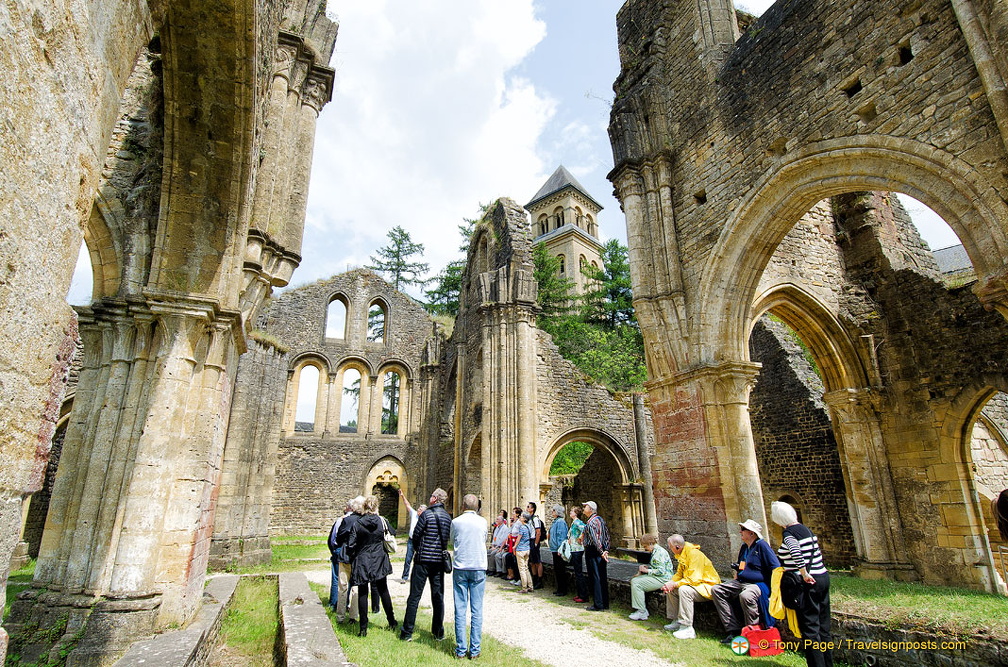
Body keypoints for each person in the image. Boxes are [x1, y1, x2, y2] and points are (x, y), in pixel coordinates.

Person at [771, 501, 833, 667]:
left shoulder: (789, 534)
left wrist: (804, 573)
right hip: (822, 578)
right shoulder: (806, 530)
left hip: (808, 583)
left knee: (810, 630)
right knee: (823, 628)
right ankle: (828, 663)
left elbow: (795, 551)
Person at [711, 519, 780, 644]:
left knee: (746, 595)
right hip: (742, 581)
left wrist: (774, 590)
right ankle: (733, 630)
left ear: (752, 533)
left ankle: (753, 631)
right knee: (717, 590)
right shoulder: (744, 547)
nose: (740, 532)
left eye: (743, 529)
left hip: (758, 584)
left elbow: (775, 567)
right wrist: (736, 578)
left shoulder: (762, 546)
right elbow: (741, 565)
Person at [400, 487, 452, 642]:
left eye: (431, 495)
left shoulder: (427, 514)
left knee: (414, 596)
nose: (430, 498)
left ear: (435, 499)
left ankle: (407, 632)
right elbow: (446, 539)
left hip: (422, 561)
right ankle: (438, 632)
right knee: (438, 597)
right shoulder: (447, 518)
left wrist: (420, 549)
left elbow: (416, 536)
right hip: (438, 562)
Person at [346, 495, 397, 636]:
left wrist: (355, 553)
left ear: (364, 507)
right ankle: (392, 621)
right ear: (376, 507)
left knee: (363, 591)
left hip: (362, 559)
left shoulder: (358, 523)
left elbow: (350, 544)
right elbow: (393, 533)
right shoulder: (382, 521)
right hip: (379, 559)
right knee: (383, 590)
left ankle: (363, 628)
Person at [451, 493, 489, 659]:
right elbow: (484, 538)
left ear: (462, 506)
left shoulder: (456, 522)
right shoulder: (483, 522)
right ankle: (474, 650)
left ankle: (460, 650)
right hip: (478, 566)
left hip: (460, 566)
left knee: (460, 609)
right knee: (477, 609)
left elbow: (453, 540)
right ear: (477, 507)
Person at [661, 534, 721, 639]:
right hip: (697, 586)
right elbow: (679, 574)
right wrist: (670, 583)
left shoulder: (694, 555)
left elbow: (694, 579)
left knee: (684, 590)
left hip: (707, 587)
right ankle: (676, 621)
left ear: (677, 547)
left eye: (670, 547)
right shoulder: (683, 554)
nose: (670, 549)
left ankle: (687, 627)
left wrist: (675, 584)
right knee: (672, 589)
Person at [333, 495, 365, 623]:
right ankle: (353, 616)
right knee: (356, 587)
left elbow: (339, 538)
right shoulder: (364, 521)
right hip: (358, 557)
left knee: (343, 587)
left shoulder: (347, 520)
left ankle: (340, 616)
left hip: (346, 556)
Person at [628, 534, 674, 621]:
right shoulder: (656, 551)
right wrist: (648, 568)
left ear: (650, 544)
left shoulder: (659, 553)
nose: (645, 549)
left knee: (637, 583)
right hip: (661, 577)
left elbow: (661, 571)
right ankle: (641, 610)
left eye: (645, 546)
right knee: (635, 580)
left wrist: (647, 571)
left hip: (663, 578)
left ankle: (641, 611)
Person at [581, 500, 610, 611]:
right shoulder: (600, 520)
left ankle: (598, 604)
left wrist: (601, 551)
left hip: (594, 551)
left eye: (585, 507)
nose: (584, 508)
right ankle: (604, 602)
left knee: (595, 577)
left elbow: (594, 538)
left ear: (591, 509)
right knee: (602, 576)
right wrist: (606, 549)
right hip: (601, 549)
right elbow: (606, 535)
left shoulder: (591, 522)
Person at [398, 488, 426, 583]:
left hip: (420, 541)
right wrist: (402, 495)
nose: (418, 510)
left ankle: (418, 578)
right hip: (411, 540)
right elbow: (407, 504)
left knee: (419, 561)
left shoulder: (425, 519)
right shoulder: (414, 514)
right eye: (418, 508)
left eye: (420, 509)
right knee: (408, 559)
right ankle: (405, 577)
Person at [327, 502, 351, 611]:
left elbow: (332, 539)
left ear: (349, 508)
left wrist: (334, 550)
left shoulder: (340, 520)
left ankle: (333, 603)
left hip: (339, 550)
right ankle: (345, 604)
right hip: (351, 552)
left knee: (337, 578)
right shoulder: (359, 520)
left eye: (346, 506)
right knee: (349, 580)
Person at [567, 506, 588, 603]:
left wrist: (581, 538)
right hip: (574, 549)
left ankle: (583, 596)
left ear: (576, 513)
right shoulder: (574, 522)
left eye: (572, 511)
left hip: (577, 549)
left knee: (579, 573)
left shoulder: (577, 522)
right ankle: (580, 594)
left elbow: (585, 528)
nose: (570, 512)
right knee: (577, 572)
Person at [548, 504, 569, 596]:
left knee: (560, 570)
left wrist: (560, 549)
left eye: (553, 510)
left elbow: (561, 537)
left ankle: (562, 589)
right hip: (554, 549)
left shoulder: (560, 522)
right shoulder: (556, 522)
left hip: (558, 550)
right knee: (557, 570)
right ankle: (559, 588)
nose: (552, 512)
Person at [526, 501, 546, 589]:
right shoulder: (529, 519)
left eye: (528, 507)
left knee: (537, 561)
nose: (527, 508)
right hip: (530, 540)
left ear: (532, 509)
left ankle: (539, 579)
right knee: (532, 562)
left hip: (534, 540)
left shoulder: (535, 519)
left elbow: (538, 532)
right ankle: (534, 578)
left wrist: (535, 543)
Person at [513, 511, 534, 593]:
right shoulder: (528, 526)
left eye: (521, 516)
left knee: (522, 569)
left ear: (524, 519)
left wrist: (515, 546)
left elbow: (519, 538)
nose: (520, 518)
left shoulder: (522, 527)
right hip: (527, 549)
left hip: (521, 549)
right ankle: (530, 586)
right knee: (526, 568)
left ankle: (524, 587)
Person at [487, 510, 509, 576]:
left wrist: (497, 547)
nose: (496, 520)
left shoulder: (505, 528)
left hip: (500, 546)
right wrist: (493, 545)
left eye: (497, 519)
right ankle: (488, 568)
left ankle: (495, 570)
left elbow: (503, 539)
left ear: (502, 521)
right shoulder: (497, 528)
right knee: (488, 552)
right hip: (495, 546)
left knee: (493, 553)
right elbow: (495, 537)